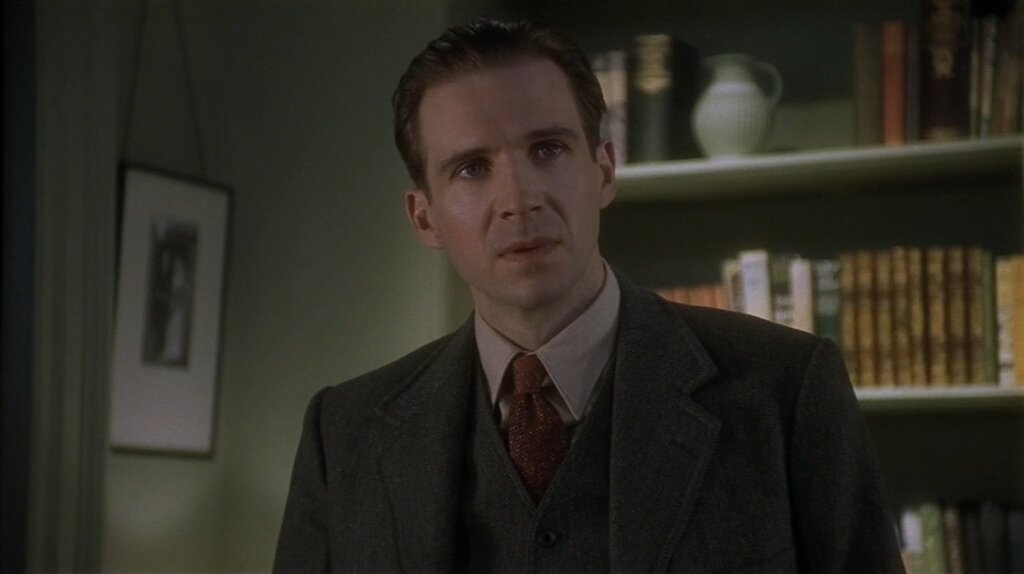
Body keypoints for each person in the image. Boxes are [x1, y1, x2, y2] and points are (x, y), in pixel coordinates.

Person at [274, 17, 905, 573]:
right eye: (471, 168)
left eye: (547, 149)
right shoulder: (345, 432)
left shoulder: (785, 389)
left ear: (603, 170)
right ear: (424, 218)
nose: (519, 199)